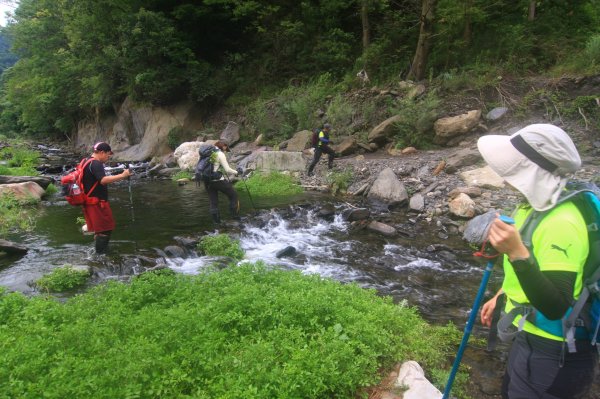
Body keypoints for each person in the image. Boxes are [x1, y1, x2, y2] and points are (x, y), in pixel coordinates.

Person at [477, 124, 597, 399]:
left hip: (557, 351)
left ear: (531, 173)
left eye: (513, 169)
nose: (504, 177)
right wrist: (502, 294)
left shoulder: (562, 222)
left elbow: (555, 305)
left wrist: (516, 253)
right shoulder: (531, 207)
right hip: (528, 336)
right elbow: (536, 266)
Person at [81, 142, 130, 254]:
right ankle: (100, 256)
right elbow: (102, 180)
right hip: (96, 203)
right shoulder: (96, 164)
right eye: (108, 154)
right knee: (105, 229)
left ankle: (99, 252)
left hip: (90, 202)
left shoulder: (86, 161)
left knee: (101, 229)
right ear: (102, 152)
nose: (108, 157)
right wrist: (122, 176)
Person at [204, 140, 241, 224]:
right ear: (223, 146)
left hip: (207, 181)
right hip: (218, 181)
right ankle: (235, 218)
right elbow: (227, 170)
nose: (225, 150)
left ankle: (216, 223)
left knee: (213, 202)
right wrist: (237, 172)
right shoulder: (220, 154)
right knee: (233, 196)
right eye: (226, 148)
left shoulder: (208, 152)